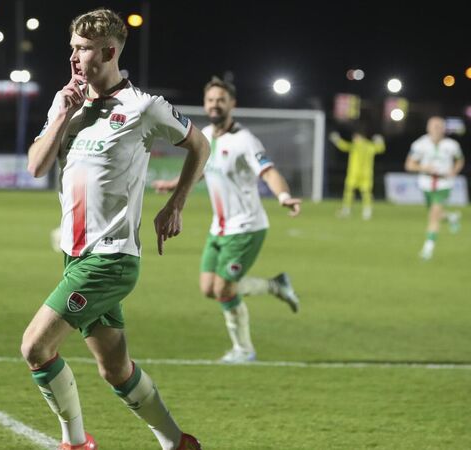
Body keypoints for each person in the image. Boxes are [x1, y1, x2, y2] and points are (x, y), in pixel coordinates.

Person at [22, 9, 207, 450]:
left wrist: (176, 203)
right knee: (115, 369)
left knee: (35, 347)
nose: (74, 57)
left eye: (83, 49)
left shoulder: (143, 107)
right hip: (76, 256)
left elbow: (200, 145)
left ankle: (75, 443)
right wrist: (63, 114)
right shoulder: (66, 102)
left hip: (111, 258)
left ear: (108, 52)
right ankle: (177, 442)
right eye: (72, 48)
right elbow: (35, 166)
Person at [152, 76, 301, 364]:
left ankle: (243, 350)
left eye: (221, 100)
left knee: (224, 289)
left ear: (232, 103)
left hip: (246, 227)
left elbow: (269, 171)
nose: (215, 105)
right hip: (219, 228)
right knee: (208, 288)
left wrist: (283, 196)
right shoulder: (206, 135)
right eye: (210, 100)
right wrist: (173, 184)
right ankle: (275, 285)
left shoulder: (245, 140)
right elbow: (201, 169)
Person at [404, 116, 464, 260]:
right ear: (428, 128)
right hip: (426, 184)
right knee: (436, 213)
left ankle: (428, 249)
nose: (437, 129)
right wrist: (423, 168)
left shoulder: (452, 145)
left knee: (433, 217)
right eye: (434, 126)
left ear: (444, 129)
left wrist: (454, 171)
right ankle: (451, 217)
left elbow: (460, 160)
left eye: (439, 126)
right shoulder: (419, 144)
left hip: (444, 185)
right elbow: (409, 165)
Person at [329, 126, 385, 220]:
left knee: (349, 192)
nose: (354, 139)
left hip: (354, 173)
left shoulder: (355, 146)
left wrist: (336, 140)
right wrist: (380, 140)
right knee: (366, 193)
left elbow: (344, 146)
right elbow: (380, 149)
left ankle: (347, 210)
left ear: (359, 137)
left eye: (355, 137)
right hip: (366, 174)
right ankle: (367, 212)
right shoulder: (370, 146)